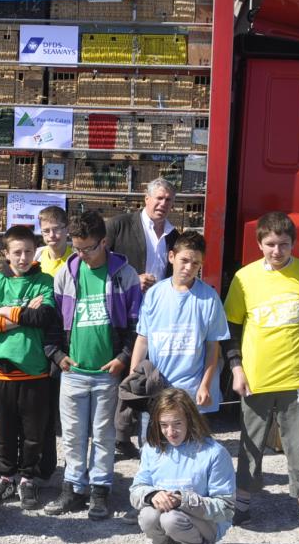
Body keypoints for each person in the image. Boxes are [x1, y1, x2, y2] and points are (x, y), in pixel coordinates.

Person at [223, 211, 299, 544]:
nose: (277, 251)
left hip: (298, 380)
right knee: (250, 445)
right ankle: (241, 506)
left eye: (284, 244)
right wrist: (235, 367)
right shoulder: (244, 279)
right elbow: (230, 329)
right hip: (256, 379)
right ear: (259, 243)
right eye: (270, 244)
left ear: (293, 244)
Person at [45, 210, 141, 519]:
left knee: (104, 434)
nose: (83, 255)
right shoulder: (66, 274)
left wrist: (123, 358)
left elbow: (136, 325)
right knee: (72, 434)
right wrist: (58, 356)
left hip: (106, 373)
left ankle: (100, 490)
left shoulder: (124, 274)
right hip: (73, 372)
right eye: (77, 248)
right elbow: (53, 322)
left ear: (105, 242)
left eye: (90, 248)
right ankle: (72, 487)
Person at [0, 224, 58, 510]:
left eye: (29, 252)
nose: (23, 258)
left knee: (34, 432)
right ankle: (7, 476)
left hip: (35, 370)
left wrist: (7, 312)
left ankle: (29, 479)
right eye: (17, 252)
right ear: (6, 254)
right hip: (1, 371)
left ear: (36, 252)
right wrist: (24, 313)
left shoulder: (44, 281)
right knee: (5, 430)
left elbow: (44, 317)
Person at [126, 388, 235, 544]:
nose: (170, 432)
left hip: (204, 522)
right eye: (164, 425)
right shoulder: (152, 449)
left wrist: (183, 500)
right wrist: (152, 495)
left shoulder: (214, 453)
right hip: (168, 517)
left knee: (171, 519)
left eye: (177, 423)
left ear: (190, 420)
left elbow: (225, 508)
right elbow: (136, 490)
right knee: (148, 513)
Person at [107, 178, 180, 458]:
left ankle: (145, 435)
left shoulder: (174, 235)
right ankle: (119, 436)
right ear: (145, 198)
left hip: (159, 312)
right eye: (159, 198)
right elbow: (101, 264)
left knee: (149, 373)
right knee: (127, 370)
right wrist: (131, 279)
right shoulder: (120, 225)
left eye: (169, 200)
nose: (163, 204)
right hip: (125, 310)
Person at [131, 231, 230, 414]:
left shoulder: (209, 298)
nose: (189, 267)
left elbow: (212, 348)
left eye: (195, 263)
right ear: (171, 257)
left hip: (191, 392)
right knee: (151, 440)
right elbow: (143, 339)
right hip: (156, 387)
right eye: (184, 260)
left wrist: (205, 385)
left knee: (191, 441)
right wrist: (133, 377)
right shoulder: (154, 294)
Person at [36, 205, 73, 278]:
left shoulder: (77, 260)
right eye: (46, 231)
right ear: (41, 233)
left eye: (56, 229)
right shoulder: (34, 256)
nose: (51, 235)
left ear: (67, 229)